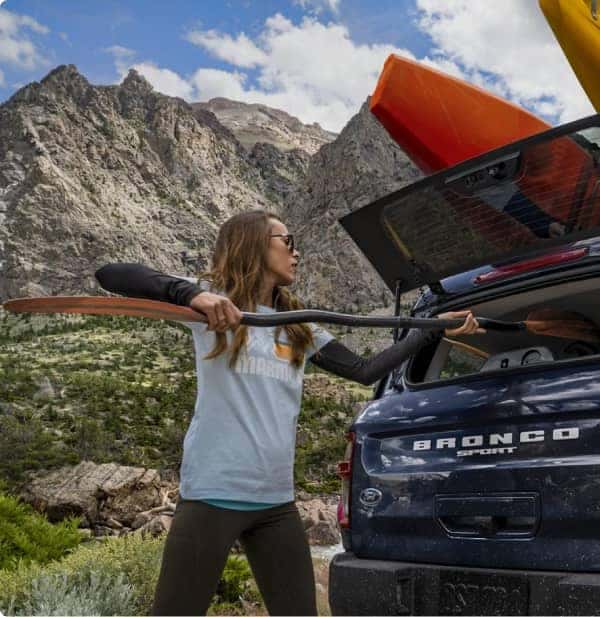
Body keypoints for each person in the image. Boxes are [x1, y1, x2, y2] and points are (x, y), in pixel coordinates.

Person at [95, 210, 483, 615]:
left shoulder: (299, 326)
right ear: (255, 245)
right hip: (213, 495)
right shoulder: (213, 305)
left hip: (275, 502)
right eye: (288, 241)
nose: (297, 253)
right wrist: (189, 294)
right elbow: (111, 273)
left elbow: (364, 371)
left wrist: (432, 328)